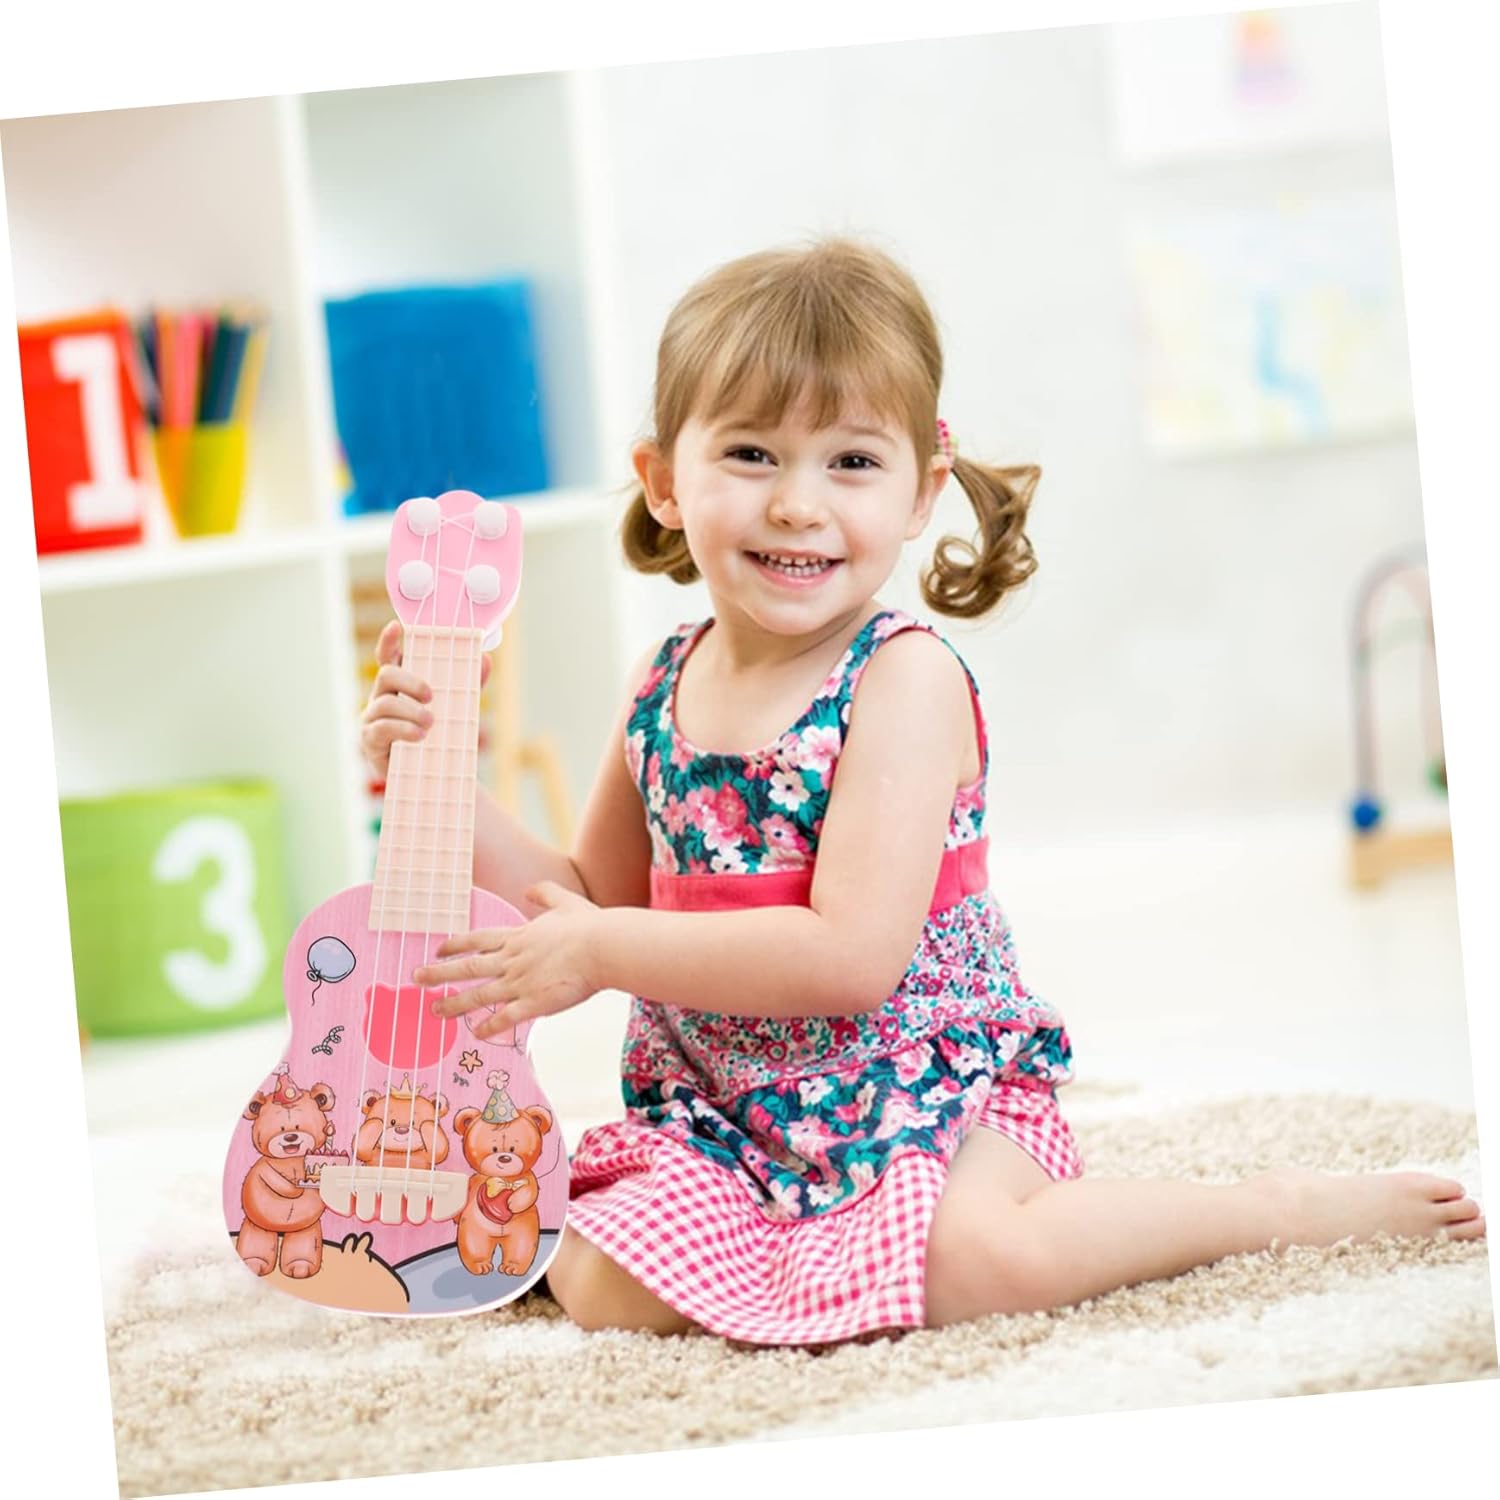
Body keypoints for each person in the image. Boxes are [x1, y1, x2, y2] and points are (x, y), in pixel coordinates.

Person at [360, 236, 1485, 1346]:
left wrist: (602, 950)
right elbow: (586, 898)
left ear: (919, 492)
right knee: (606, 1280)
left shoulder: (901, 679)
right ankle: (776, 1240)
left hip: (928, 1088)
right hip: (724, 1112)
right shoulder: (663, 681)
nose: (798, 505)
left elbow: (849, 957)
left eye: (851, 462)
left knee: (979, 1260)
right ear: (663, 482)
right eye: (751, 454)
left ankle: (1264, 1211)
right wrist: (439, 780)